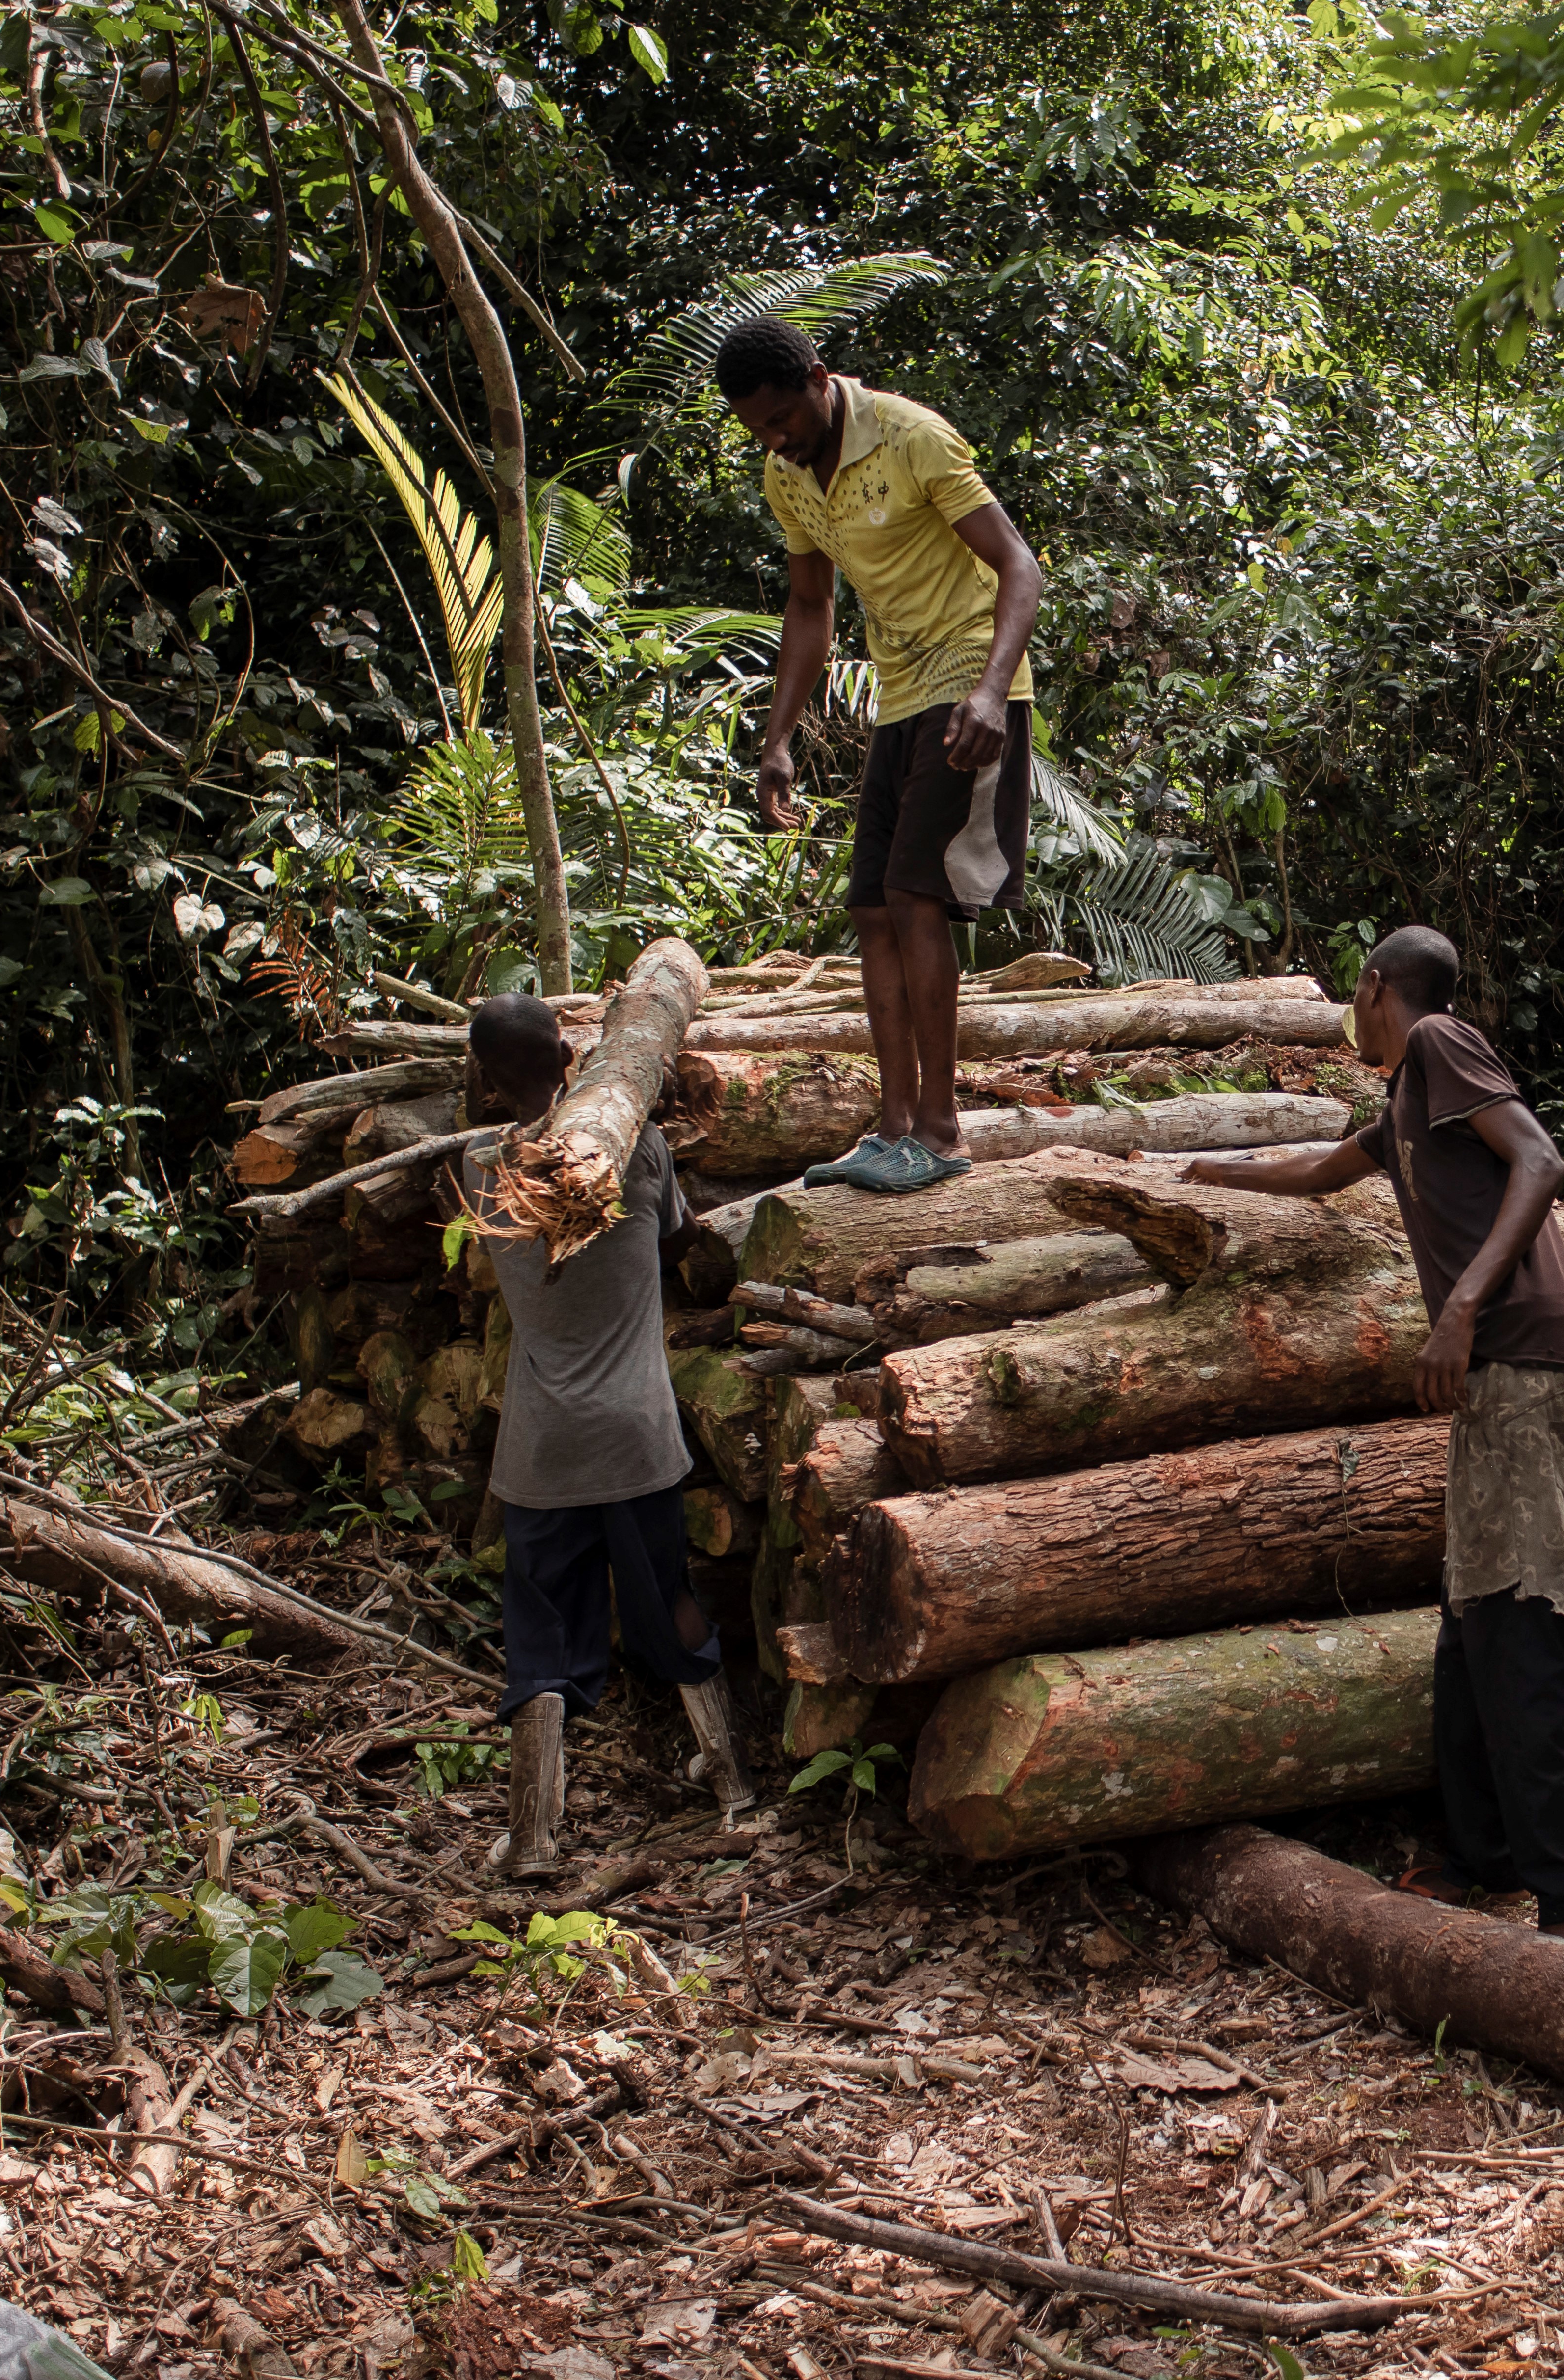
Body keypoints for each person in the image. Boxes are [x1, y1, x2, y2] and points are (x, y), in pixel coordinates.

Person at [1180, 926, 1564, 1946]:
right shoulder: (1405, 1103)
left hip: (1520, 1356)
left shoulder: (1438, 1045)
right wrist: (1200, 1174)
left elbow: (1540, 1159)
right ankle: (1484, 1860)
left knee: (1516, 1611)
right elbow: (1318, 1173)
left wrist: (1460, 1311)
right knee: (1472, 1618)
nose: (1353, 1008)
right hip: (1496, 1376)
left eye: (1354, 991)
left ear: (1379, 987)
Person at [718, 315, 1045, 1195]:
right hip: (900, 692)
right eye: (760, 429)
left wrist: (989, 692)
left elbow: (1020, 567)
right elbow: (808, 605)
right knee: (871, 906)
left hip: (972, 679)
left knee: (915, 895)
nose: (777, 440)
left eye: (785, 418)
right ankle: (892, 1127)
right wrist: (779, 737)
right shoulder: (784, 472)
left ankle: (941, 1132)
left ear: (820, 380)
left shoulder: (910, 437)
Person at [456, 994, 753, 1877]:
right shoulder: (644, 1153)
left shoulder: (482, 1169)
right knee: (669, 1598)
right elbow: (670, 1245)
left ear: (483, 1076)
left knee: (544, 1626)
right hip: (636, 1435)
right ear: (570, 1051)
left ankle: (537, 1836)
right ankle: (732, 1784)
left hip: (543, 1448)